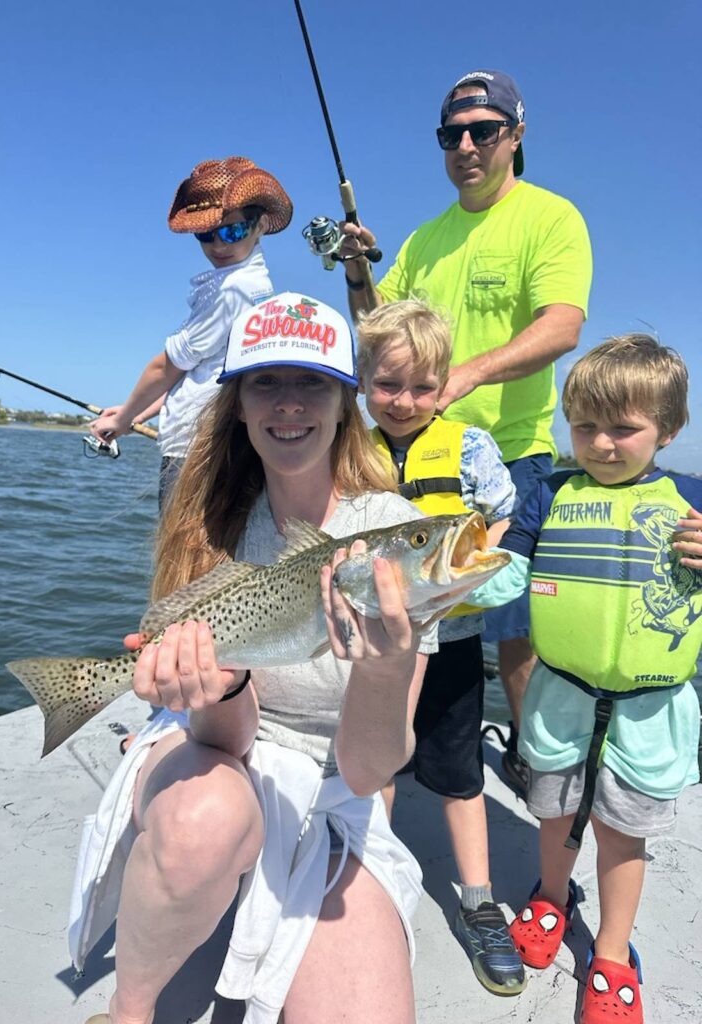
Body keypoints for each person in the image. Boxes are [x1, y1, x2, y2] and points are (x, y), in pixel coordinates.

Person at [74, 291, 443, 1024]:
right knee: (207, 817)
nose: (289, 404)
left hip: (339, 787)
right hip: (213, 752)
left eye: (311, 383)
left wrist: (384, 666)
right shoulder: (207, 520)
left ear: (345, 403)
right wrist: (222, 681)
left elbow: (370, 772)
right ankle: (129, 1011)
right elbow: (223, 739)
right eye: (265, 382)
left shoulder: (396, 533)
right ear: (236, 404)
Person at [339, 68, 593, 796]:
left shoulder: (551, 217)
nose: (468, 145)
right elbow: (380, 327)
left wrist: (468, 375)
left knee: (512, 625)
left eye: (484, 130)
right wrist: (360, 273)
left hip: (508, 455)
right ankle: (393, 749)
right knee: (399, 611)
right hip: (412, 456)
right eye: (453, 134)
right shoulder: (424, 238)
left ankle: (535, 764)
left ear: (515, 135)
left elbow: (563, 325)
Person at [468, 334, 702, 1024]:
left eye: (623, 428)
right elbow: (509, 570)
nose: (601, 443)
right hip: (557, 701)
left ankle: (611, 951)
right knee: (554, 812)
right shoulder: (546, 492)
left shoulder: (692, 502)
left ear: (670, 429)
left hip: (650, 711)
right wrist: (456, 582)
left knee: (625, 835)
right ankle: (549, 894)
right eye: (585, 426)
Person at [355, 298, 527, 995]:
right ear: (363, 379)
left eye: (423, 387)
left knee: (460, 773)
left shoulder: (471, 447)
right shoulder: (347, 448)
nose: (404, 401)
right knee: (378, 770)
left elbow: (504, 517)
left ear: (446, 383)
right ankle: (373, 891)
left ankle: (480, 901)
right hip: (373, 644)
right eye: (388, 384)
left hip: (452, 639)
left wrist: (485, 572)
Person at [89, 157, 292, 510]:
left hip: (196, 452)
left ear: (259, 225)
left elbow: (165, 367)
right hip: (212, 447)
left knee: (181, 561)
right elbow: (192, 371)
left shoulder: (233, 289)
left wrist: (122, 421)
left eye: (232, 231)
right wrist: (135, 414)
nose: (218, 245)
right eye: (205, 234)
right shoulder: (255, 285)